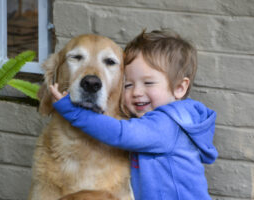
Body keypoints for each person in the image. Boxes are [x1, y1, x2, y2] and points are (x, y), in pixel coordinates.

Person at [50, 30, 218, 200]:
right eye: (128, 84)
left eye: (148, 83)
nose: (137, 92)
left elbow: (120, 133)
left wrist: (73, 111)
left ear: (180, 88)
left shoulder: (167, 124)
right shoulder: (156, 121)